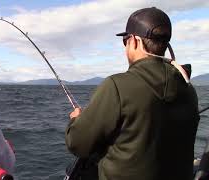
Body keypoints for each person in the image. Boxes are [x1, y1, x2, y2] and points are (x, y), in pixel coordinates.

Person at [65, 7, 200, 180]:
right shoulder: (189, 90)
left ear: (134, 41)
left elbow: (78, 144)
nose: (125, 46)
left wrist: (76, 119)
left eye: (125, 40)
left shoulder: (116, 86)